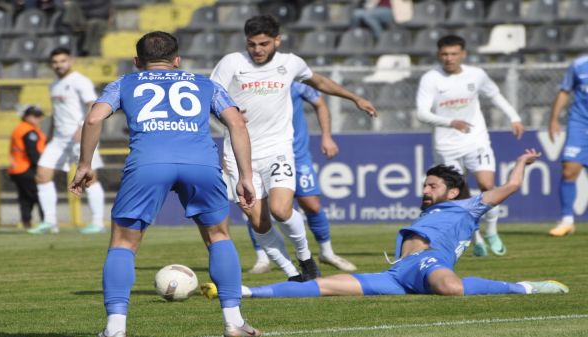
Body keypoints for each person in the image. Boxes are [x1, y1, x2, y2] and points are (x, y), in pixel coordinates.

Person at [68, 31, 260, 337]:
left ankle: (115, 329)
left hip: (148, 164)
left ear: (136, 61)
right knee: (219, 237)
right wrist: (246, 176)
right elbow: (237, 123)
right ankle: (234, 321)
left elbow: (93, 120)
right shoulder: (205, 84)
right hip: (200, 163)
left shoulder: (123, 83)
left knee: (123, 243)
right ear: (177, 60)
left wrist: (85, 164)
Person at [201, 149, 569, 299]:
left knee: (452, 289)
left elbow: (513, 186)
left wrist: (522, 160)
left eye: (432, 186)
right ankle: (247, 293)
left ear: (454, 192)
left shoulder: (470, 207)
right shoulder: (432, 211)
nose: (424, 190)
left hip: (428, 264)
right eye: (424, 184)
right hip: (397, 274)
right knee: (324, 286)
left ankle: (522, 287)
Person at [210, 15, 376, 282]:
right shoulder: (232, 63)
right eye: (252, 44)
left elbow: (319, 82)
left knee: (281, 210)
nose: (258, 50)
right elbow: (211, 95)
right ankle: (292, 273)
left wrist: (354, 97)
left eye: (264, 43)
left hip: (278, 149)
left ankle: (306, 258)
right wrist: (226, 113)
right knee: (258, 222)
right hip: (240, 154)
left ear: (277, 40)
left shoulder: (291, 63)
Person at [416, 35, 525, 257]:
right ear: (439, 55)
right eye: (445, 54)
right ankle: (475, 237)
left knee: (487, 185)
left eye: (454, 54)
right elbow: (422, 113)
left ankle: (492, 231)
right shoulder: (431, 79)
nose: (449, 58)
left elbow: (495, 96)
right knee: (461, 197)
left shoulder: (476, 75)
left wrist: (514, 117)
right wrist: (450, 122)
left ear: (463, 54)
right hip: (446, 146)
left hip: (476, 139)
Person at [247, 82, 357, 274]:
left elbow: (320, 103)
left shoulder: (294, 82)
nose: (258, 50)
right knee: (258, 206)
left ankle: (327, 253)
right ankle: (262, 259)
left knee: (311, 203)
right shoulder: (251, 84)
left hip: (297, 154)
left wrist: (326, 136)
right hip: (263, 153)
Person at [29, 47, 106, 235]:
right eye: (55, 62)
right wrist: (49, 134)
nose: (59, 65)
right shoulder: (53, 85)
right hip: (59, 139)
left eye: (62, 61)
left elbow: (93, 106)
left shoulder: (80, 81)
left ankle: (97, 222)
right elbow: (57, 114)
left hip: (81, 137)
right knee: (42, 175)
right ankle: (50, 223)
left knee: (89, 179)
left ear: (71, 61)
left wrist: (82, 128)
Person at [547, 54, 588, 237]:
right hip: (580, 123)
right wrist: (554, 119)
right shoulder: (579, 65)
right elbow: (565, 91)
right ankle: (567, 221)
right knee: (569, 169)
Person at [8, 106, 46, 229]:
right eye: (34, 115)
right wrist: (40, 168)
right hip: (27, 167)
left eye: (39, 115)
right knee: (40, 195)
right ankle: (46, 221)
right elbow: (32, 152)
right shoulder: (29, 131)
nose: (38, 118)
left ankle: (26, 222)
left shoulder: (21, 128)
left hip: (17, 168)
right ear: (26, 116)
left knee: (25, 198)